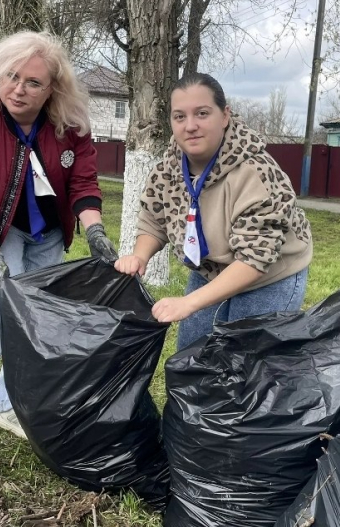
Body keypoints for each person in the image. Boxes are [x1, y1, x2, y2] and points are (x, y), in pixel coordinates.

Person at [0, 31, 119, 469]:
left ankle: (8, 406)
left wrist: (95, 233)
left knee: (35, 321)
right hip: (2, 229)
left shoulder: (69, 126)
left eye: (33, 82)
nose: (19, 89)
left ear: (52, 88)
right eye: (11, 76)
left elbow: (84, 186)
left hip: (49, 233)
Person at [115, 73, 313, 350]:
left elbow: (255, 259)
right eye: (179, 117)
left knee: (244, 366)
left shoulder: (256, 173)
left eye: (202, 113)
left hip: (269, 277)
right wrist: (140, 256)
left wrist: (188, 304)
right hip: (209, 268)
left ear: (225, 116)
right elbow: (153, 219)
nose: (191, 126)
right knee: (192, 356)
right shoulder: (168, 169)